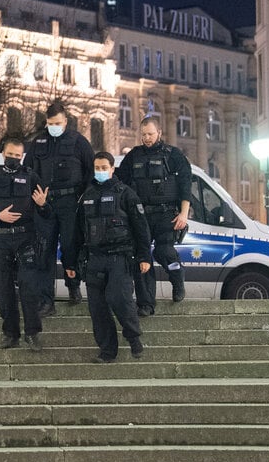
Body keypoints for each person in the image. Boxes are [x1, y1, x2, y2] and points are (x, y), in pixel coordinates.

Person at [67, 152, 151, 363]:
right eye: (97, 167)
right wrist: (70, 262)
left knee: (119, 298)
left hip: (119, 258)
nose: (101, 171)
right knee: (97, 309)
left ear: (112, 169)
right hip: (93, 259)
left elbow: (141, 228)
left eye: (105, 167)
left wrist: (144, 257)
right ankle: (107, 352)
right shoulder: (86, 195)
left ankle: (133, 338)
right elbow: (76, 233)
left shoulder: (126, 194)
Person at [0, 137, 53, 351]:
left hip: (26, 238)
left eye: (18, 156)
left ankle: (33, 334)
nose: (14, 159)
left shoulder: (31, 177)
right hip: (1, 240)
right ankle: (10, 335)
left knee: (29, 288)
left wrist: (43, 205)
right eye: (11, 155)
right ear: (3, 154)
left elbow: (47, 212)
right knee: (4, 290)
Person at [115, 116, 192, 316]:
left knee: (164, 251)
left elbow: (185, 185)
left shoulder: (173, 155)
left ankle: (177, 277)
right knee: (142, 258)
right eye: (143, 134)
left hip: (167, 213)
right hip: (141, 215)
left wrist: (184, 214)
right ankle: (146, 304)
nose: (147, 138)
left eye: (150, 134)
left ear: (159, 133)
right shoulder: (134, 156)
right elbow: (119, 183)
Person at [24, 100, 95, 313]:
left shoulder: (78, 142)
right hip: (44, 205)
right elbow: (28, 172)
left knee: (70, 248)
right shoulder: (38, 143)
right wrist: (35, 198)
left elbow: (90, 173)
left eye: (57, 122)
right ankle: (46, 301)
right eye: (50, 123)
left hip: (70, 204)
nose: (53, 126)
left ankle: (73, 285)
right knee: (43, 251)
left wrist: (83, 199)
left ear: (65, 121)